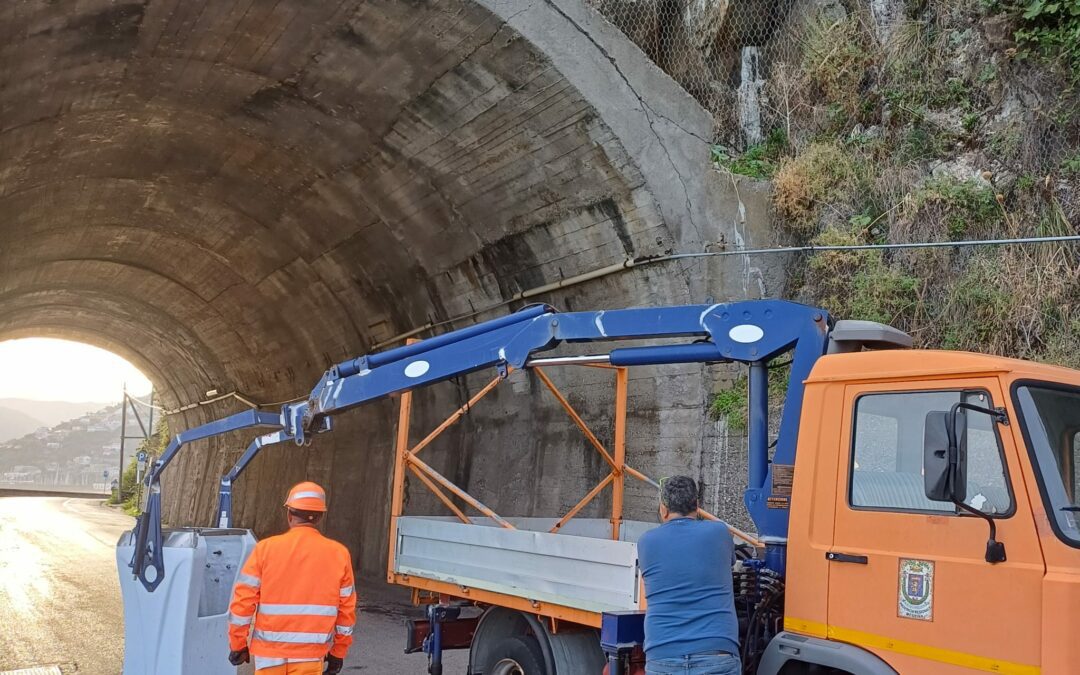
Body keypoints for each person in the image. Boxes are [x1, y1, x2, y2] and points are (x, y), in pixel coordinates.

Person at [227, 481, 357, 674]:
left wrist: (238, 644)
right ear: (320, 517)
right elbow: (347, 612)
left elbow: (242, 603)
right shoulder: (339, 554)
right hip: (311, 654)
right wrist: (339, 652)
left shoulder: (265, 549)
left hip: (269, 653)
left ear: (289, 515)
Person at [637, 475, 740, 675]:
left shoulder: (646, 542)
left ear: (663, 509)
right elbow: (730, 562)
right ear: (697, 506)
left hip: (663, 655)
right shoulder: (719, 532)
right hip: (716, 653)